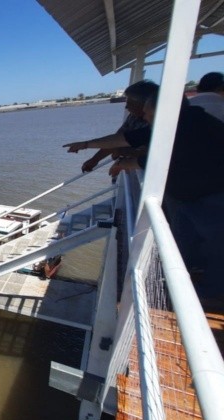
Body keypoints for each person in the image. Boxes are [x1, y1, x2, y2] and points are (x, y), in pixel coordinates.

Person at [65, 90, 224, 305]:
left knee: (216, 248)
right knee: (182, 241)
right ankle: (179, 280)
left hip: (210, 198)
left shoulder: (195, 126)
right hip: (183, 197)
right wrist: (85, 144)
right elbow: (124, 138)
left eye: (148, 114)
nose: (145, 118)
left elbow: (169, 159)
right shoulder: (169, 125)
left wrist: (127, 163)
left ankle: (208, 295)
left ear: (164, 111)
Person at [78, 80, 158, 173]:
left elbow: (151, 154)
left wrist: (125, 153)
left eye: (130, 103)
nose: (126, 107)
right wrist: (94, 160)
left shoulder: (158, 127)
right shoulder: (133, 117)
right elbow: (117, 140)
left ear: (145, 104)